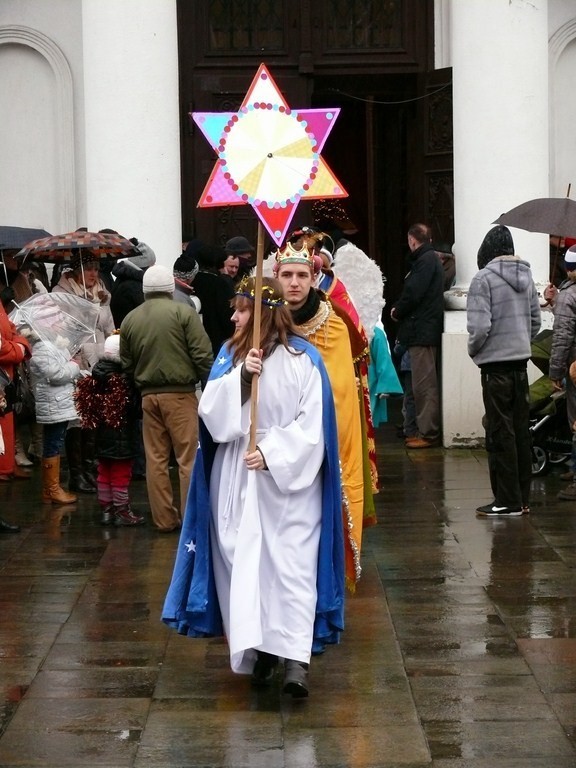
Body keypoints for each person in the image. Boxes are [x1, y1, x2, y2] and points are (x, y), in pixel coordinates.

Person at [162, 276, 344, 698]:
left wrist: (274, 451)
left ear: (263, 313)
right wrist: (242, 379)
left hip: (290, 486)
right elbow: (210, 413)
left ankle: (296, 659)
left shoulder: (305, 360)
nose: (234, 316)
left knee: (293, 568)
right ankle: (263, 652)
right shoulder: (230, 355)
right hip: (239, 480)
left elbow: (312, 427)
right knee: (248, 569)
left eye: (242, 309)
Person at [274, 239, 365, 592]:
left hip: (321, 434)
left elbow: (339, 392)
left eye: (301, 275)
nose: (294, 283)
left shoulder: (334, 323)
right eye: (286, 275)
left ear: (314, 278)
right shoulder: (265, 319)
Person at [120, 264, 213, 532]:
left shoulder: (130, 319)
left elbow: (126, 361)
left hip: (149, 397)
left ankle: (163, 520)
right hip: (181, 395)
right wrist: (209, 385)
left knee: (156, 460)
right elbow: (202, 353)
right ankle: (190, 520)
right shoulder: (184, 312)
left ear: (145, 290)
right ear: (170, 288)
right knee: (187, 459)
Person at [467, 224, 541, 516]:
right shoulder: (528, 276)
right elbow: (535, 323)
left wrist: (475, 350)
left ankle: (506, 500)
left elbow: (479, 327)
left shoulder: (483, 279)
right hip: (520, 366)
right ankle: (522, 498)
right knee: (521, 431)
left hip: (495, 368)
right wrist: (521, 342)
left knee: (500, 432)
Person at [53, 251, 115, 493]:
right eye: (88, 268)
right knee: (76, 420)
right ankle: (76, 474)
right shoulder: (62, 294)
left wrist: (103, 304)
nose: (94, 274)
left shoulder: (101, 291)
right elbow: (66, 328)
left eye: (96, 269)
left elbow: (107, 327)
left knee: (94, 418)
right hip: (76, 361)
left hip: (98, 361)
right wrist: (89, 306)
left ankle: (90, 470)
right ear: (76, 270)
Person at [74, 333, 144, 525]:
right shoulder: (124, 378)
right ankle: (122, 510)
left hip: (101, 434)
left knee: (104, 469)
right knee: (121, 472)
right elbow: (135, 409)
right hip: (122, 435)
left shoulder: (98, 374)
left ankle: (107, 509)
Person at [390, 223, 444, 448]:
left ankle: (429, 433)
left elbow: (413, 293)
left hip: (421, 330)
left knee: (424, 385)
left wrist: (397, 310)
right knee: (419, 384)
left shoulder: (425, 261)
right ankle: (421, 430)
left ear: (412, 240)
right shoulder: (430, 259)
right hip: (422, 329)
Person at [25, 327, 80, 505]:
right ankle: (52, 489)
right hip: (53, 403)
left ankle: (51, 488)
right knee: (53, 443)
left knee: (54, 441)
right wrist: (74, 365)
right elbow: (56, 374)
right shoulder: (42, 348)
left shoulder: (53, 346)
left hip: (58, 402)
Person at [546, 245, 576, 501]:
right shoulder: (565, 296)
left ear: (567, 268)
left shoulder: (569, 296)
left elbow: (563, 337)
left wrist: (555, 371)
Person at [0, 300, 31, 482]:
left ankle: (8, 464)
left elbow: (11, 330)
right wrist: (19, 349)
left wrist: (19, 343)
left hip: (6, 375)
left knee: (9, 418)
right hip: (3, 373)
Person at [191, 245, 235, 356]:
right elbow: (228, 315)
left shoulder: (192, 281)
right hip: (217, 340)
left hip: (195, 339)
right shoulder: (220, 284)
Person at [110, 239, 157, 327]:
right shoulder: (134, 286)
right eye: (152, 264)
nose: (154, 267)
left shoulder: (124, 278)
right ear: (144, 266)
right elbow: (145, 317)